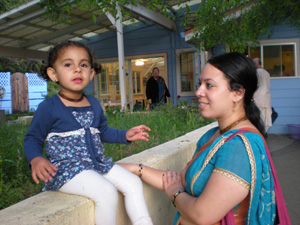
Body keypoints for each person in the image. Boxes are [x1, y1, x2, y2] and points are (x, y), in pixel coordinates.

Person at [121, 52, 290, 225]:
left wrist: (175, 193)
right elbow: (179, 180)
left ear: (237, 93)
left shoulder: (238, 147)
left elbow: (202, 214)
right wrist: (135, 168)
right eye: (200, 83)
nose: (198, 91)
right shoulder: (214, 134)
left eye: (209, 85)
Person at [23, 41, 153, 225]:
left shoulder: (93, 104)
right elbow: (32, 138)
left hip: (97, 165)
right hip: (67, 171)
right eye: (68, 64)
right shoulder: (49, 107)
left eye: (83, 65)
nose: (77, 70)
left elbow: (102, 132)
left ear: (91, 73)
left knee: (133, 183)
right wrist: (35, 158)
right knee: (106, 191)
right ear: (53, 74)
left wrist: (124, 135)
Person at [253, 58, 272, 131]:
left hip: (259, 98)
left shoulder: (257, 72)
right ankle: (263, 134)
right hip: (266, 98)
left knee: (259, 118)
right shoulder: (266, 73)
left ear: (256, 64)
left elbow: (259, 86)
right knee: (265, 119)